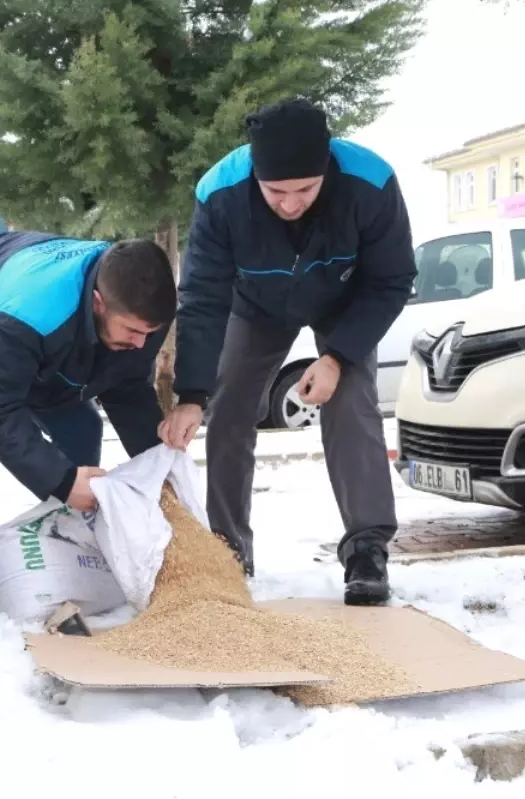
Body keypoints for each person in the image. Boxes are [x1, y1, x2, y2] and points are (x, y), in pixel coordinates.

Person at [158, 98, 417, 605]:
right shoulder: (220, 193)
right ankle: (229, 548)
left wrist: (338, 355)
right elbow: (203, 299)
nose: (291, 203)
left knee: (351, 401)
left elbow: (391, 280)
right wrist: (191, 391)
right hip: (254, 304)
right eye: (276, 191)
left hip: (345, 300)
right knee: (228, 405)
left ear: (327, 167)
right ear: (255, 172)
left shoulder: (371, 181)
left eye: (305, 189)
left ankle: (366, 549)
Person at [0, 232, 176, 627]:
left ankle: (70, 552)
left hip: (5, 335)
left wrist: (159, 473)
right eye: (132, 331)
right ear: (98, 302)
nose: (144, 344)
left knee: (82, 426)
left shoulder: (138, 307)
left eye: (151, 332)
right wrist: (60, 479)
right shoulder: (36, 306)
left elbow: (125, 388)